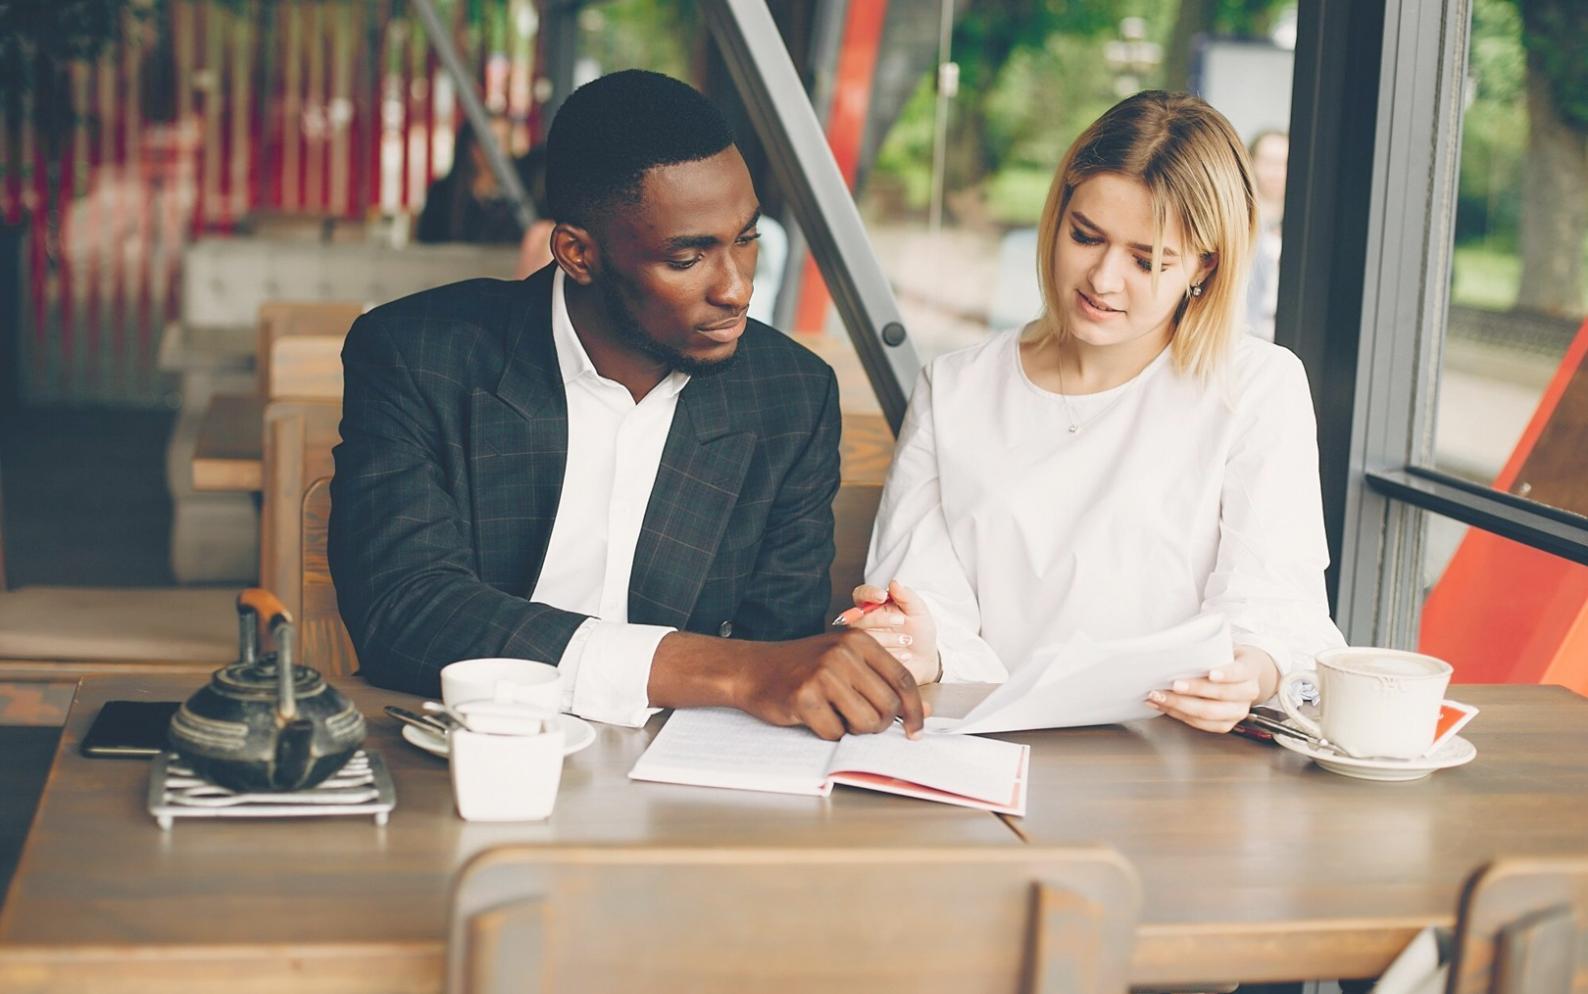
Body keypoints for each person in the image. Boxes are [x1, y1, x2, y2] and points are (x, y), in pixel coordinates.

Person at [331, 70, 924, 741]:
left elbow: (777, 648)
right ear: (578, 254)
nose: (736, 288)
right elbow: (405, 610)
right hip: (466, 754)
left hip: (685, 781)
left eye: (746, 239)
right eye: (687, 257)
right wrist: (731, 672)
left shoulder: (788, 395)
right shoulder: (420, 354)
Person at [839, 92, 1342, 734]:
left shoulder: (1256, 386)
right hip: (985, 740)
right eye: (1086, 237)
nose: (1103, 280)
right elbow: (923, 599)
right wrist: (919, 639)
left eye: (1147, 260)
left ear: (1204, 265)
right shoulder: (957, 387)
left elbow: (1273, 597)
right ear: (1058, 217)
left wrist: (1252, 670)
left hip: (1176, 755)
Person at [1244, 129, 1288, 341]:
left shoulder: (1302, 224)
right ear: (1251, 162)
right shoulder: (1241, 221)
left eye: (1283, 163)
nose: (1276, 172)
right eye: (1268, 162)